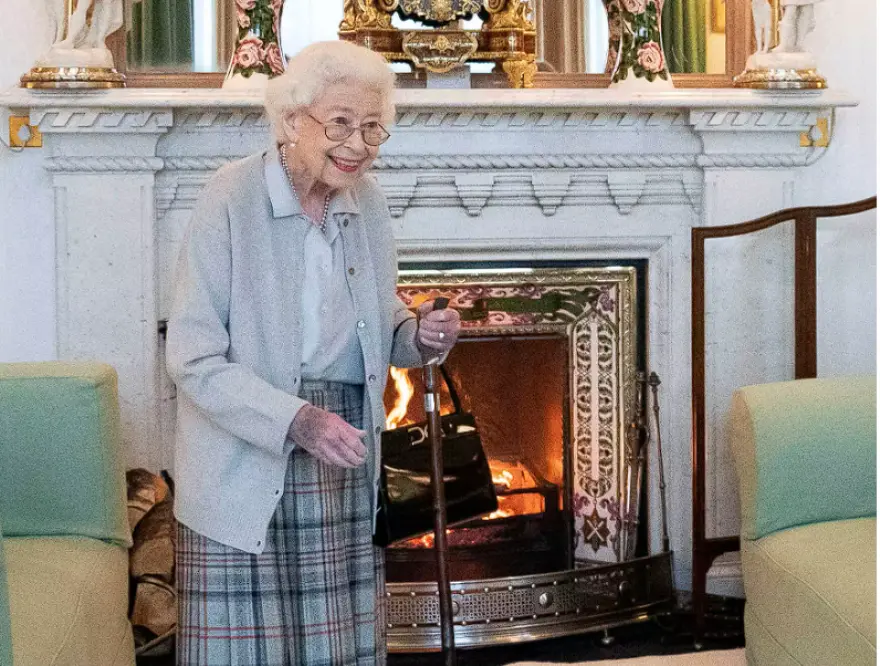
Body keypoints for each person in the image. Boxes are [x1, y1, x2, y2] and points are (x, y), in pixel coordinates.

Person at [166, 39, 461, 665]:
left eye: (373, 128)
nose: (358, 144)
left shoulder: (367, 203)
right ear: (291, 120)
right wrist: (297, 420)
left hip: (341, 453)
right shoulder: (230, 197)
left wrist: (418, 337)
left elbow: (376, 320)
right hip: (248, 456)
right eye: (340, 123)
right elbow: (192, 357)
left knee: (336, 650)